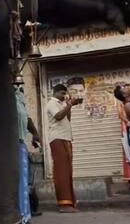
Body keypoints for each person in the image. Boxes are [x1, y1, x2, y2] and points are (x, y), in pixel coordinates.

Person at [46, 83, 83, 212]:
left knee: (67, 171)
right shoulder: (51, 103)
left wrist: (69, 106)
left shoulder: (62, 104)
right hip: (57, 138)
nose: (64, 96)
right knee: (61, 171)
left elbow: (67, 119)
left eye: (65, 93)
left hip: (65, 138)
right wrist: (69, 104)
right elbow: (58, 116)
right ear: (55, 92)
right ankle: (64, 204)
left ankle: (69, 202)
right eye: (62, 93)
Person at [15, 84, 32, 223]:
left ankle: (24, 216)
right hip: (6, 145)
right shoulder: (2, 95)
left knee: (22, 182)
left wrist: (36, 134)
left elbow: (27, 118)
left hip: (20, 143)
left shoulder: (19, 96)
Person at [117, 83, 130, 185]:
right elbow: (120, 115)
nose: (127, 87)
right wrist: (128, 123)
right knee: (129, 150)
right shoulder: (121, 103)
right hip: (128, 127)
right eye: (124, 87)